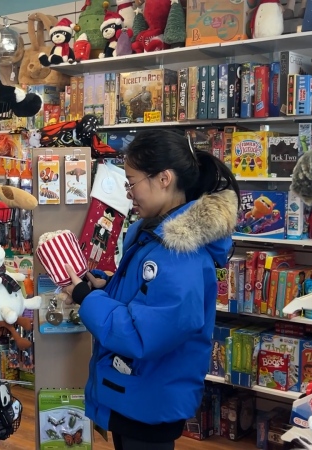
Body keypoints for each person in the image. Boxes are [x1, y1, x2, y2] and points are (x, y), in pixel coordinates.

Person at [61, 129, 240, 450]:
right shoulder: (156, 235)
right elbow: (148, 298)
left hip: (149, 396)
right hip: (140, 392)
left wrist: (87, 299)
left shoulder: (178, 251)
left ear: (163, 179)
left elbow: (143, 334)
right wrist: (109, 286)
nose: (129, 193)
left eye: (131, 182)